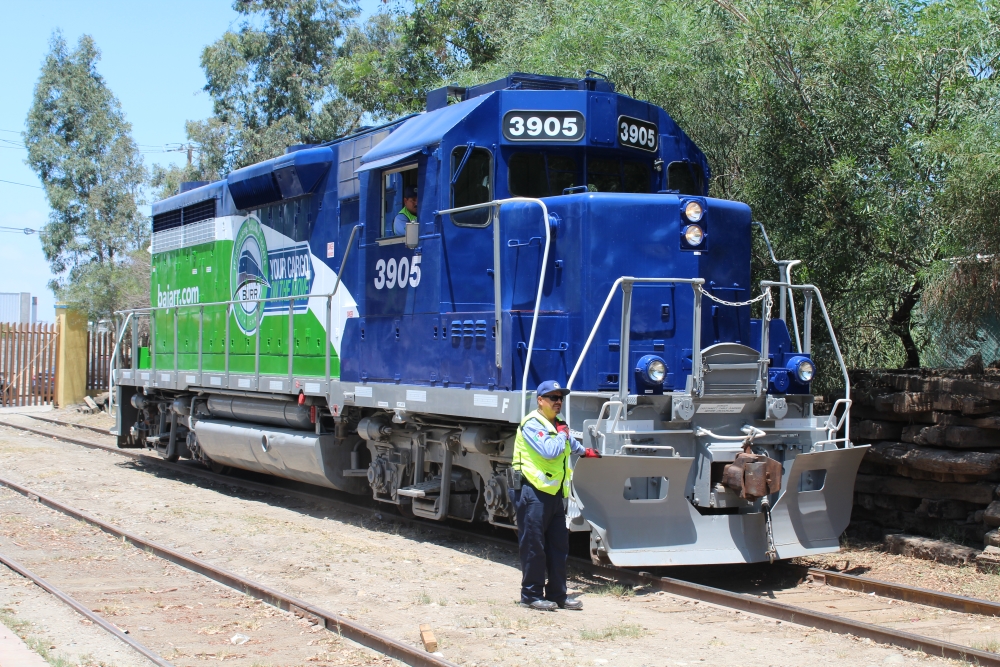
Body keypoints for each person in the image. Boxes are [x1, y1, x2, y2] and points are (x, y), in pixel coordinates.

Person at [512, 380, 602, 611]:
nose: (558, 401)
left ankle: (557, 595)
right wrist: (563, 436)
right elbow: (550, 451)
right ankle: (530, 596)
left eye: (560, 397)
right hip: (533, 493)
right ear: (540, 400)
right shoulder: (532, 424)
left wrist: (586, 452)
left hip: (553, 495)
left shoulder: (558, 424)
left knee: (558, 547)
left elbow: (571, 444)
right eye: (553, 397)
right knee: (534, 546)